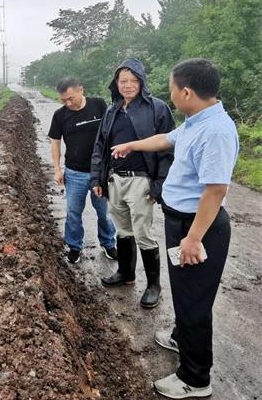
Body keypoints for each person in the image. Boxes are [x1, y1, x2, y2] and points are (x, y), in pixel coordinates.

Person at [110, 58, 239, 399]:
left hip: (198, 227)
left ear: (187, 92)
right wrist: (131, 145)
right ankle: (181, 338)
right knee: (184, 292)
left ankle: (195, 379)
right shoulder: (195, 121)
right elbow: (165, 140)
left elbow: (216, 190)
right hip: (181, 221)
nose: (170, 95)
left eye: (171, 89)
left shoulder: (216, 131)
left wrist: (193, 238)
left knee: (195, 302)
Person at [91, 58, 175, 308]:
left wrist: (159, 184)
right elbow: (100, 146)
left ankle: (153, 285)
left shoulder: (157, 108)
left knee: (143, 233)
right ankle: (125, 273)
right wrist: (97, 178)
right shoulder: (112, 110)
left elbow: (168, 150)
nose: (127, 85)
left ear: (142, 82)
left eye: (133, 81)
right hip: (115, 179)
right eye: (123, 81)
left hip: (141, 181)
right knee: (123, 230)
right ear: (116, 83)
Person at [48, 78, 117, 264]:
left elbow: (111, 132)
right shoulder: (60, 115)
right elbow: (55, 142)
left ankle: (109, 243)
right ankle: (74, 247)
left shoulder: (98, 105)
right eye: (64, 100)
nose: (68, 103)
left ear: (81, 90)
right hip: (74, 173)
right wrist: (57, 169)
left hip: (100, 173)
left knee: (104, 212)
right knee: (73, 212)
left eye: (71, 98)